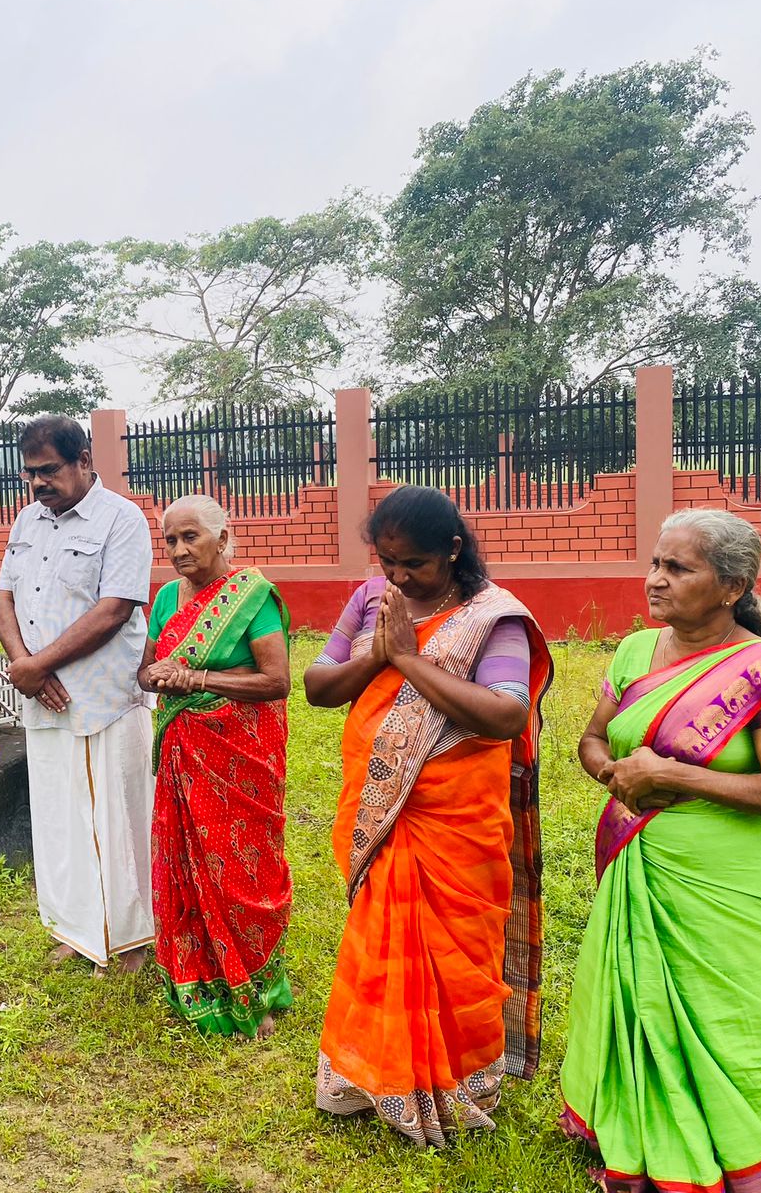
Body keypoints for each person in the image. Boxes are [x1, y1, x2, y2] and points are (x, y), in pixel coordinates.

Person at [561, 509, 761, 1190]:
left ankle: (737, 1152)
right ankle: (635, 1138)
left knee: (729, 1016)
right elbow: (594, 740)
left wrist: (673, 774)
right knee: (635, 999)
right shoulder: (632, 651)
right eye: (655, 563)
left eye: (677, 568)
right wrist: (614, 774)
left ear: (731, 586)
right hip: (642, 859)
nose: (654, 580)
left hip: (729, 878)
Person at [303, 484, 553, 1146]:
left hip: (456, 816)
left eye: (414, 563)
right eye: (387, 562)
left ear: (452, 548)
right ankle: (370, 1079)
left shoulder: (491, 616)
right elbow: (317, 687)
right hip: (383, 810)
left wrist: (411, 660)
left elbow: (504, 715)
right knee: (378, 942)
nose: (399, 576)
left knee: (456, 950)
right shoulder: (371, 602)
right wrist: (379, 655)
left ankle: (456, 1086)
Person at [0, 416, 155, 974]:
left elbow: (114, 609)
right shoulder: (27, 522)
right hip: (43, 695)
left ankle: (131, 937)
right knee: (60, 817)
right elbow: (4, 599)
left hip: (104, 697)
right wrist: (23, 667)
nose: (38, 483)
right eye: (30, 473)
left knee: (119, 817)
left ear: (84, 460)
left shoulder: (122, 520)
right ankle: (77, 929)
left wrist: (39, 664)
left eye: (49, 470)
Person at [137, 495, 293, 1038]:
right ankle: (197, 978)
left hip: (241, 757)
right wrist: (163, 673)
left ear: (223, 538)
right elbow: (146, 672)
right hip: (185, 750)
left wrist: (198, 679)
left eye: (190, 538)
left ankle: (254, 984)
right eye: (170, 541)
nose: (179, 550)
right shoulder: (164, 601)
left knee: (242, 865)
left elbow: (276, 682)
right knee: (185, 858)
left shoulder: (252, 599)